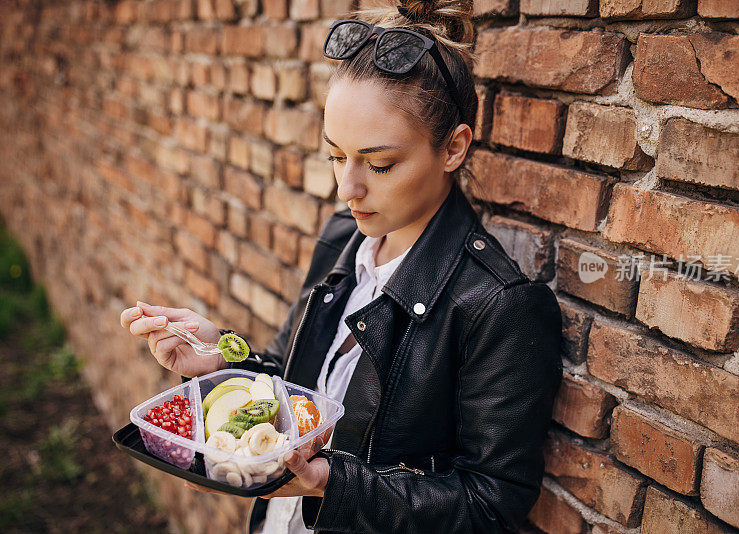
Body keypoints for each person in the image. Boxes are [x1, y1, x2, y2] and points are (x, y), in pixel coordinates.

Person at [119, 1, 563, 532]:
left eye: (379, 164)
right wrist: (217, 362)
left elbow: (492, 504)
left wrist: (335, 483)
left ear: (453, 148)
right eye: (335, 155)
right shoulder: (342, 237)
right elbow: (294, 387)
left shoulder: (498, 305)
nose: (346, 188)